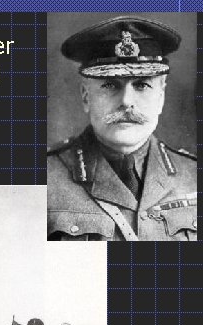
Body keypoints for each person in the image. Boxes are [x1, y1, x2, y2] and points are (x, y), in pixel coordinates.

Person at [48, 16, 196, 240]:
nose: (127, 101)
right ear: (86, 96)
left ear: (161, 96)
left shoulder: (193, 175)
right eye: (110, 85)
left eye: (142, 85)